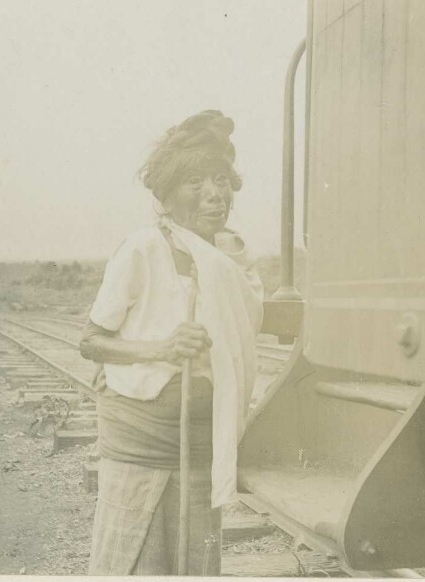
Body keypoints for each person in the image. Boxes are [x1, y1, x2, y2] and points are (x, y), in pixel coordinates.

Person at [80, 110, 263, 576]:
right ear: (166, 195)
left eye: (221, 179)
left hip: (204, 444)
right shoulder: (143, 249)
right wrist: (161, 348)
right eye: (195, 181)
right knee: (134, 562)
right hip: (141, 446)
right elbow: (92, 340)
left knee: (196, 563)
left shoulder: (232, 262)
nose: (214, 194)